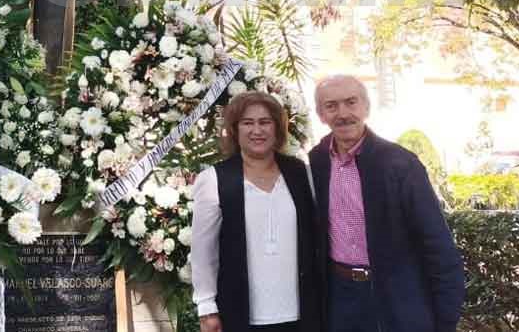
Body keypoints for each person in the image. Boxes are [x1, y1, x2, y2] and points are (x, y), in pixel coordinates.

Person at [308, 75, 464, 332]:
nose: (343, 113)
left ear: (366, 107)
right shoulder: (317, 161)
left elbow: (437, 243)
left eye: (351, 102)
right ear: (321, 114)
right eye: (331, 106)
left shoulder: (400, 164)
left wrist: (445, 319)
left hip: (394, 297)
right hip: (339, 297)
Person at [190, 91, 322, 332]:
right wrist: (206, 307)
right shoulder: (214, 180)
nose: (257, 130)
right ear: (235, 129)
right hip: (240, 314)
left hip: (302, 313)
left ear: (277, 128)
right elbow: (203, 252)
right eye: (247, 123)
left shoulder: (301, 173)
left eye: (265, 122)